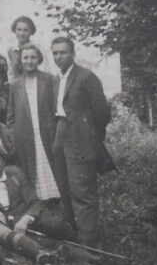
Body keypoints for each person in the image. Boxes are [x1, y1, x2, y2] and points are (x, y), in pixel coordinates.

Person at [48, 36, 113, 248]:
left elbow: (102, 112)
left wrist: (91, 136)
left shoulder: (86, 77)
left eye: (63, 52)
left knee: (82, 190)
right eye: (55, 53)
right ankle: (71, 234)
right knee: (63, 186)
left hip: (81, 136)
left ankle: (89, 242)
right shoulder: (56, 79)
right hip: (60, 134)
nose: (59, 57)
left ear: (72, 54)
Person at [0, 145, 62, 265]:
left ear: (3, 162)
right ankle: (44, 253)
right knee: (24, 242)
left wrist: (26, 218)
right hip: (6, 226)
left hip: (25, 217)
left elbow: (35, 200)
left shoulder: (15, 174)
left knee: (56, 226)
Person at [8, 43, 62, 203]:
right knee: (31, 172)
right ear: (21, 60)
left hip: (47, 133)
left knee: (52, 170)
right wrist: (13, 135)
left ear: (38, 59)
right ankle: (37, 207)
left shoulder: (50, 80)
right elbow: (11, 115)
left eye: (33, 57)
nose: (29, 61)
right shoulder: (15, 85)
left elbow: (57, 109)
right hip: (25, 137)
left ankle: (56, 204)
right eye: (26, 57)